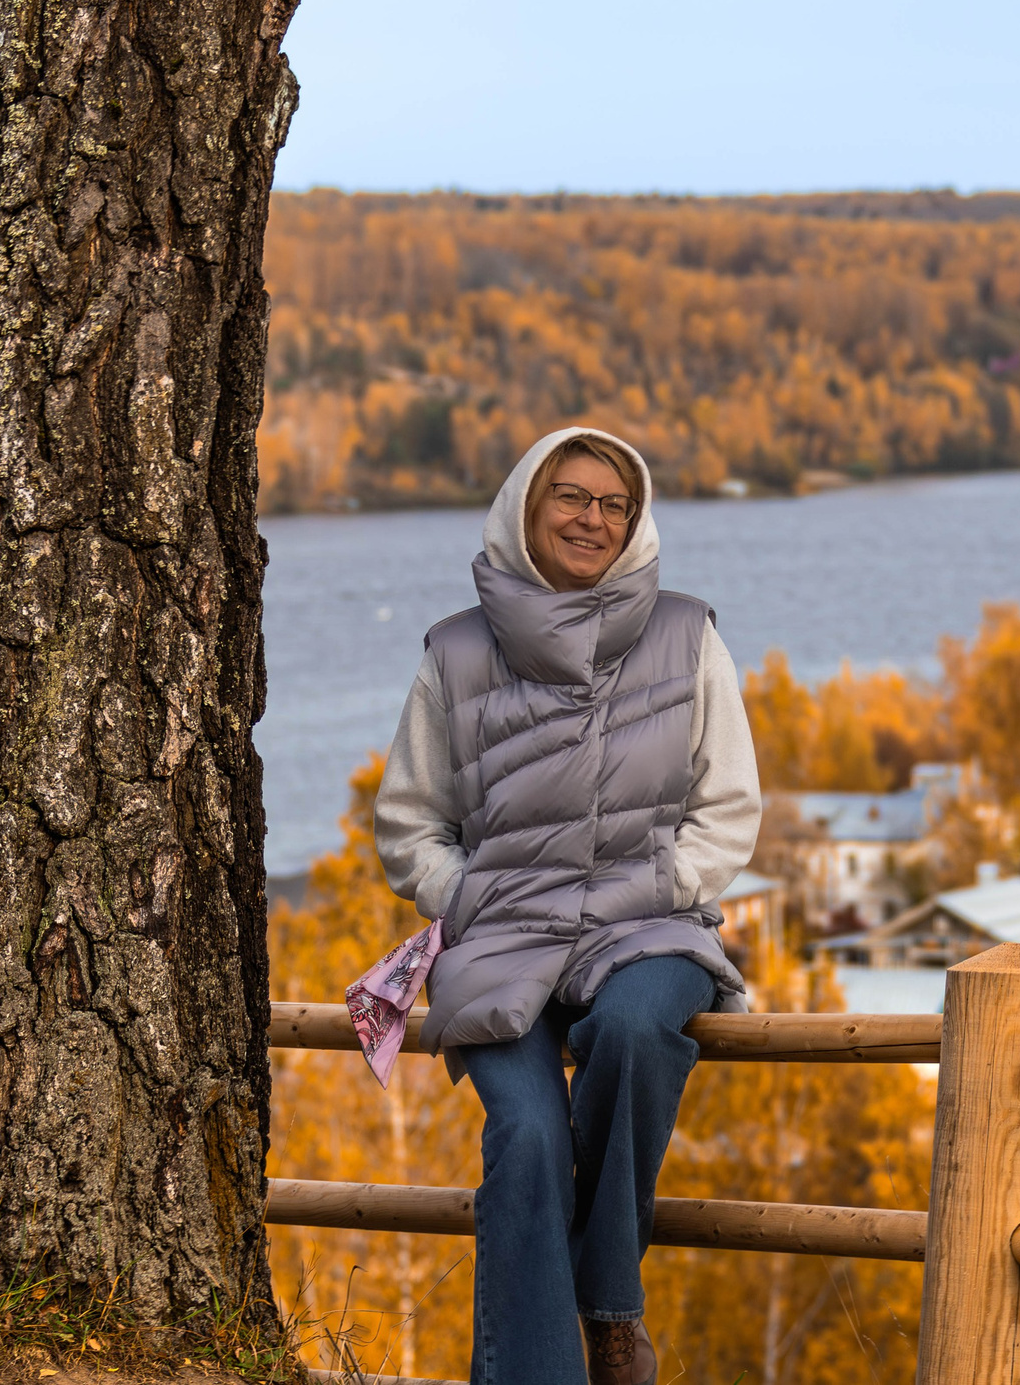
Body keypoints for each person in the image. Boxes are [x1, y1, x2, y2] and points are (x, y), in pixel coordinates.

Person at [375, 426, 763, 1385]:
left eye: (614, 503)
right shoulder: (456, 653)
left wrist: (664, 886)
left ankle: (610, 1313)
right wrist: (462, 893)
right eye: (571, 496)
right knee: (530, 1138)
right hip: (503, 936)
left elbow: (729, 809)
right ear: (525, 506)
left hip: (650, 925)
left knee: (635, 1031)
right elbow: (407, 823)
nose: (593, 518)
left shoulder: (686, 634)